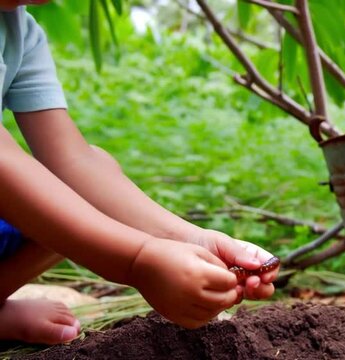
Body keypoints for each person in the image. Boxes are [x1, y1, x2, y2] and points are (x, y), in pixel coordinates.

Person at [0, 1, 279, 345]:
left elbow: (73, 162)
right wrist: (138, 260)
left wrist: (184, 238)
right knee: (37, 196)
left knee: (66, 200)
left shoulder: (18, 31)